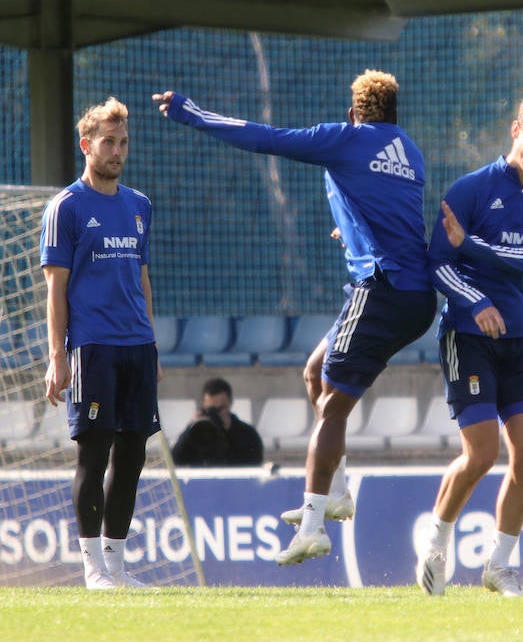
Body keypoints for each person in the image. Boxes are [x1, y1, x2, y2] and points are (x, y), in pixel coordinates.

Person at [154, 70, 436, 566]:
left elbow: (265, 139)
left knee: (330, 406)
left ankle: (312, 527)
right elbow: (390, 210)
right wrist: (348, 229)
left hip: (384, 290)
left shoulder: (345, 139)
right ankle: (340, 491)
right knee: (314, 373)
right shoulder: (408, 151)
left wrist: (191, 113)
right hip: (414, 298)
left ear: (355, 114)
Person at [417, 92, 523, 598]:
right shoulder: (470, 189)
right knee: (481, 454)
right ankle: (436, 546)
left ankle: (499, 566)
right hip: (467, 334)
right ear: (515, 130)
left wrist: (473, 245)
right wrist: (476, 300)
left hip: (521, 337)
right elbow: (438, 263)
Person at [41, 97, 159, 590]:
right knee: (94, 454)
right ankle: (92, 568)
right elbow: (56, 288)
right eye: (108, 142)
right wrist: (57, 357)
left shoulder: (139, 206)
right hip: (93, 347)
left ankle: (116, 565)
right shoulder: (66, 207)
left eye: (123, 142)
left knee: (133, 455)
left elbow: (143, 279)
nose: (117, 150)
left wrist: (151, 341)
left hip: (138, 346)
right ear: (86, 145)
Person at [171, 377, 264, 467]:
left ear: (230, 404)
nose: (214, 414)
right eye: (210, 410)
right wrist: (190, 430)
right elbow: (176, 460)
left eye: (220, 409)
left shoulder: (247, 433)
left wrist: (228, 433)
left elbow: (254, 464)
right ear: (203, 406)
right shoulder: (198, 433)